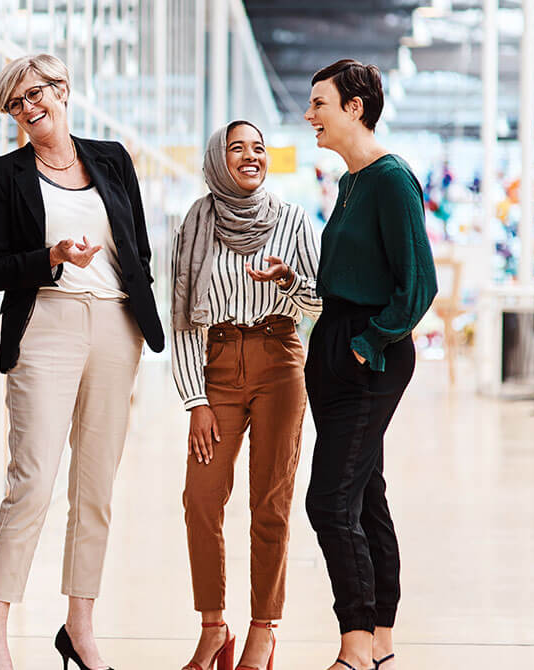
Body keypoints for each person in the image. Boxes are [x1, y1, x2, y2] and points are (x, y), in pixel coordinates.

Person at [0, 53, 165, 670]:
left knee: (96, 487)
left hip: (116, 325)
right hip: (46, 324)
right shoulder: (4, 174)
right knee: (30, 482)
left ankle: (79, 626)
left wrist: (139, 296)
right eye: (16, 105)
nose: (29, 111)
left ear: (62, 90)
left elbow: (135, 244)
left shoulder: (111, 158)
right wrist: (51, 254)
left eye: (36, 96)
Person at [170, 121, 321, 670]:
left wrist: (286, 282)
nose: (250, 156)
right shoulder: (195, 224)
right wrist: (195, 401)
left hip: (280, 360)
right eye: (237, 148)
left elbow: (320, 305)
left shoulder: (292, 219)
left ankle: (263, 630)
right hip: (215, 365)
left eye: (259, 148)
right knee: (201, 499)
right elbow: (183, 314)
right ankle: (214, 628)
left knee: (270, 502)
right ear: (218, 158)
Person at [302, 59, 436, 670]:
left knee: (328, 501)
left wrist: (372, 342)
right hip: (334, 341)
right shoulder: (352, 182)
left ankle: (354, 644)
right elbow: (350, 273)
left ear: (355, 107)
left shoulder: (390, 179)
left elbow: (419, 284)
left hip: (367, 353)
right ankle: (380, 638)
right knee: (363, 495)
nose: (311, 117)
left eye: (320, 105)